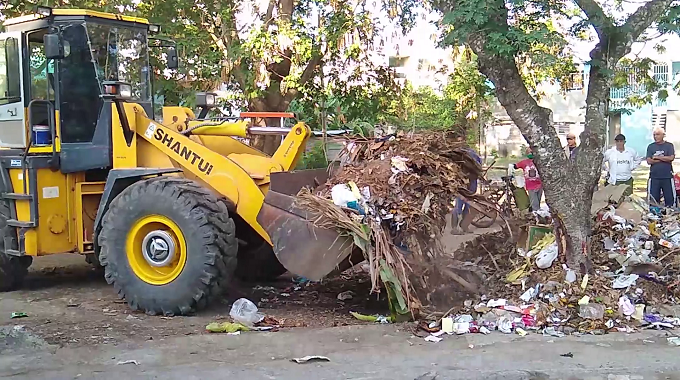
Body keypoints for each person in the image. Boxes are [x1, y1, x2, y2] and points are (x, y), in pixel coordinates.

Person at [450, 137, 482, 235]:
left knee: (467, 204)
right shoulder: (458, 154)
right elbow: (479, 166)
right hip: (464, 182)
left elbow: (479, 166)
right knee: (461, 204)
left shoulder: (468, 153)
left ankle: (463, 227)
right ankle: (456, 228)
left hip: (469, 181)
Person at [646, 128, 676, 207]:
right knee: (653, 201)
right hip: (654, 177)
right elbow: (649, 161)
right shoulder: (651, 146)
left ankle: (671, 215)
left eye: (658, 134)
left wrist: (657, 157)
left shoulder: (669, 146)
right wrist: (664, 159)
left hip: (667, 176)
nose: (656, 136)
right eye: (654, 135)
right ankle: (654, 216)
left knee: (670, 200)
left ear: (663, 135)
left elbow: (671, 158)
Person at [514, 147, 543, 211]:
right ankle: (536, 215)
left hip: (539, 184)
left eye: (531, 152)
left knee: (537, 201)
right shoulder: (524, 162)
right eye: (529, 152)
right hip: (531, 186)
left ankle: (536, 214)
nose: (530, 154)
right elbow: (515, 166)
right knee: (534, 203)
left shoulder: (540, 162)